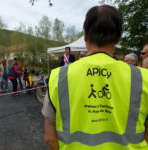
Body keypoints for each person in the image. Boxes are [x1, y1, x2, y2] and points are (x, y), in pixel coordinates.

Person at [42, 5, 148, 150]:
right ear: (119, 38)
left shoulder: (58, 76)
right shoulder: (143, 78)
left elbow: (50, 139)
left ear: (85, 35)